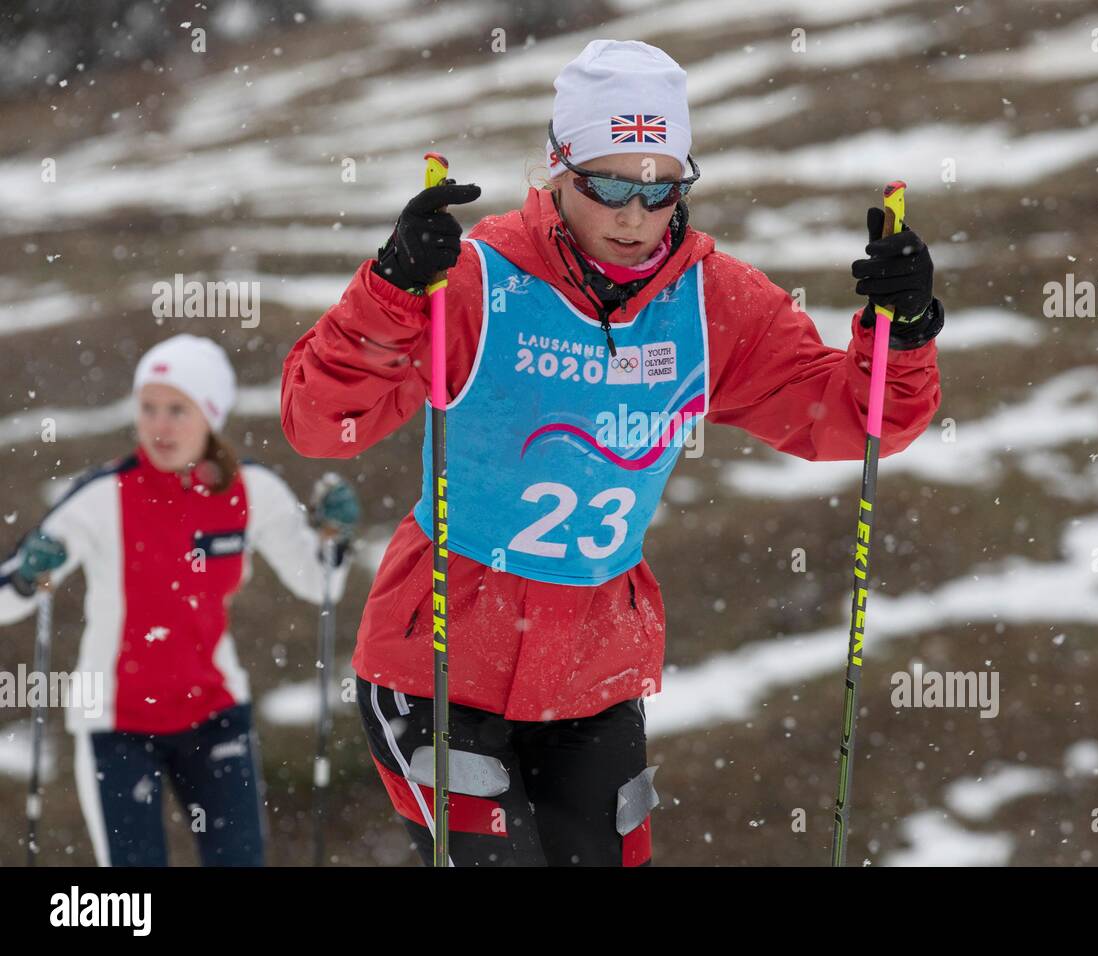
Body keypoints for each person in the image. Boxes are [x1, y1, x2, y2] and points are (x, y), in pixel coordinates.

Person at [281, 39, 943, 866]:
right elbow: (320, 420)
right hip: (439, 654)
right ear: (557, 172)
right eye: (609, 185)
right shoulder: (478, 279)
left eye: (661, 189)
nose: (634, 216)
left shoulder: (713, 300)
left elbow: (856, 418)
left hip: (594, 669)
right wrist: (388, 289)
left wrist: (905, 329)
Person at [0, 333, 359, 866]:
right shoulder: (104, 495)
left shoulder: (252, 490)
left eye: (177, 409)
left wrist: (338, 537)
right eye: (148, 408)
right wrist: (30, 574)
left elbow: (319, 583)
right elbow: (9, 595)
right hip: (116, 722)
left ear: (211, 414)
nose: (159, 425)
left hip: (214, 712)